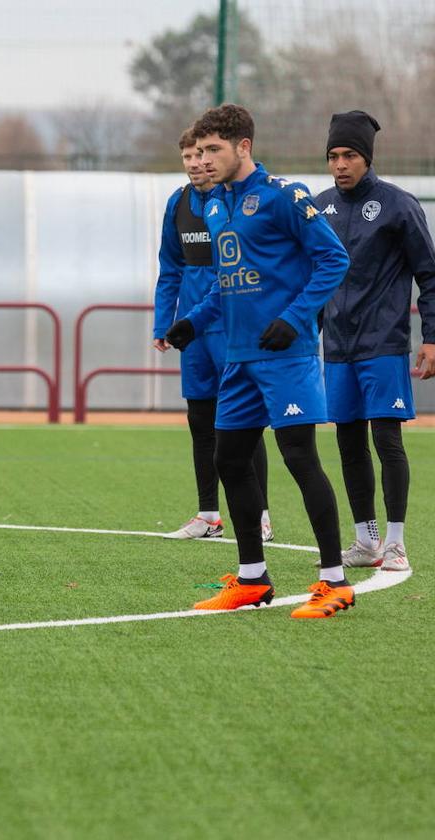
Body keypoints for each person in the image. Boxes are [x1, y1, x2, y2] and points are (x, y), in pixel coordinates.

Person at [165, 104, 354, 619]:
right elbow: (230, 282)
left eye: (212, 150)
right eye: (198, 151)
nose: (202, 160)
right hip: (238, 358)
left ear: (243, 147)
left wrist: (295, 318)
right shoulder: (215, 206)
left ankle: (334, 581)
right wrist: (193, 320)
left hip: (285, 355)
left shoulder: (283, 196)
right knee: (229, 459)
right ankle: (252, 579)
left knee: (299, 458)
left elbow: (334, 258)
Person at [315, 110, 435, 573]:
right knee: (348, 442)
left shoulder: (398, 205)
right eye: (332, 156)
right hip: (338, 347)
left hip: (384, 344)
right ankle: (366, 540)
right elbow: (313, 278)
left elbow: (429, 275)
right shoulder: (320, 207)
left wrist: (431, 338)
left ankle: (397, 542)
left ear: (367, 158)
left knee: (387, 440)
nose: (340, 164)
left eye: (349, 155)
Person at [153, 127, 273, 542]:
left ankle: (259, 514)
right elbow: (170, 268)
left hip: (232, 320)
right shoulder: (178, 203)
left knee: (243, 419)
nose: (196, 163)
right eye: (188, 156)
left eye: (203, 154)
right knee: (200, 418)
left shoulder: (232, 201)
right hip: (193, 329)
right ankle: (209, 515)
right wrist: (162, 324)